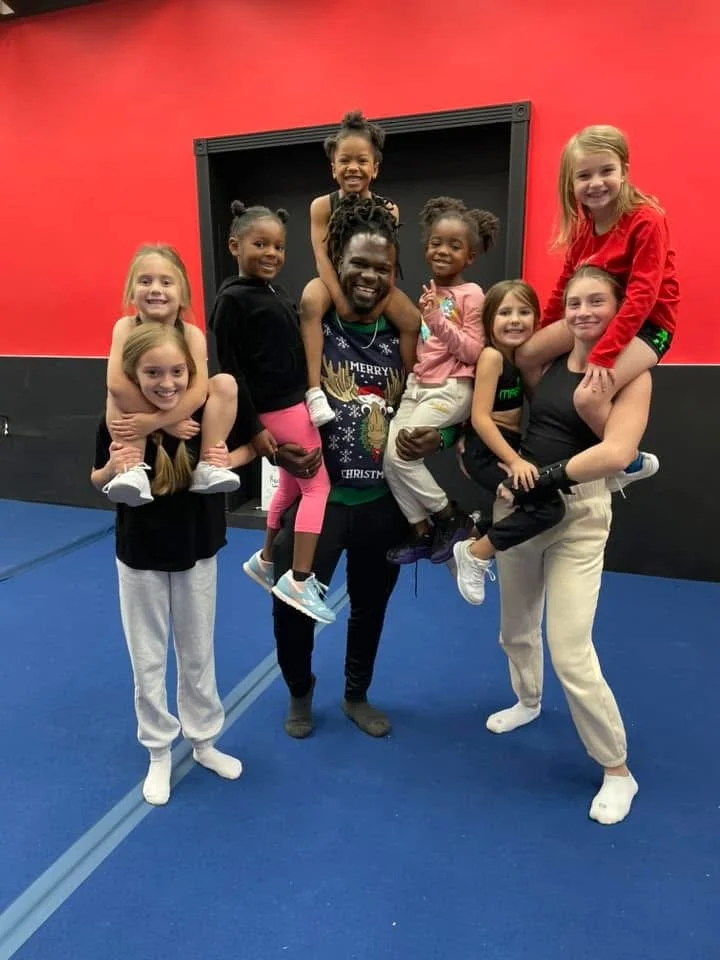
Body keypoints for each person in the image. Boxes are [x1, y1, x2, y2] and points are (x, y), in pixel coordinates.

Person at [467, 266, 649, 825]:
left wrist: (546, 475)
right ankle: (527, 699)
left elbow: (616, 453)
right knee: (514, 628)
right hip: (521, 503)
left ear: (620, 309)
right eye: (574, 303)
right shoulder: (546, 357)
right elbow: (515, 343)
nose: (585, 312)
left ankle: (618, 769)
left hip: (579, 513)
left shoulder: (631, 374)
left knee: (570, 649)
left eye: (599, 302)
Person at [263, 196, 448, 740]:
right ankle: (300, 691)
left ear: (395, 274)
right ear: (337, 264)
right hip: (315, 502)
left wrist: (441, 434)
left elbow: (440, 399)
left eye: (382, 268)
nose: (369, 276)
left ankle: (355, 693)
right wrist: (270, 446)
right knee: (291, 612)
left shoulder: (403, 335)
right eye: (359, 264)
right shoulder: (313, 327)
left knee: (371, 608)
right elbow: (264, 391)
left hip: (380, 506)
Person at [91, 324, 249, 806]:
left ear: (192, 371)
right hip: (140, 552)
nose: (167, 383)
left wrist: (226, 455)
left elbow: (252, 449)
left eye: (177, 372)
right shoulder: (121, 420)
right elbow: (96, 477)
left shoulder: (208, 414)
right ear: (134, 376)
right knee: (149, 657)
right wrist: (112, 466)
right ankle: (159, 750)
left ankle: (203, 741)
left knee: (198, 652)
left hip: (196, 546)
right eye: (153, 373)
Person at [518, 124, 679, 490]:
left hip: (649, 325)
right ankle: (552, 425)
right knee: (526, 354)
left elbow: (643, 294)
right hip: (600, 315)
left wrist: (604, 355)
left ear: (624, 171)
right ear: (570, 183)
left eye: (606, 171)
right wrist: (546, 328)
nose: (596, 183)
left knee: (590, 396)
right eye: (584, 175)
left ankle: (627, 458)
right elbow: (565, 286)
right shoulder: (582, 228)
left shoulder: (646, 219)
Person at [209, 201, 335, 624]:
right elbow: (231, 368)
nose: (271, 254)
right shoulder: (232, 300)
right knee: (317, 487)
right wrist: (254, 427)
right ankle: (299, 579)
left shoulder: (276, 292)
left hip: (293, 399)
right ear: (234, 246)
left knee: (291, 485)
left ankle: (266, 560)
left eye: (278, 247)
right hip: (276, 407)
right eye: (259, 244)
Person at [384, 196, 499, 565]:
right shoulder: (429, 293)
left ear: (470, 256)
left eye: (455, 245)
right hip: (419, 388)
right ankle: (422, 531)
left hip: (452, 387)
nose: (443, 251)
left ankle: (452, 516)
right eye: (436, 243)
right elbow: (427, 348)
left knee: (403, 455)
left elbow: (472, 352)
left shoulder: (472, 294)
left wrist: (435, 320)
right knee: (388, 458)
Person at [303, 110, 420, 426]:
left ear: (375, 168)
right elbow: (321, 256)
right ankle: (313, 389)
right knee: (310, 302)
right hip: (334, 280)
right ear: (333, 168)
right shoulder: (322, 206)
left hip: (376, 284)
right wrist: (340, 301)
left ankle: (413, 387)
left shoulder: (388, 209)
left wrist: (376, 308)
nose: (353, 167)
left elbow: (390, 264)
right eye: (345, 161)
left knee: (411, 320)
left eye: (362, 161)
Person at [103, 244, 240, 506]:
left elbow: (199, 392)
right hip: (143, 415)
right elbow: (118, 385)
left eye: (166, 282)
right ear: (132, 292)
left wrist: (156, 420)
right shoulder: (125, 327)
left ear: (183, 294)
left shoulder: (191, 335)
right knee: (114, 395)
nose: (155, 288)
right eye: (145, 281)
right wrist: (164, 423)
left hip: (179, 406)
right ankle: (132, 467)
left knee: (225, 383)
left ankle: (208, 465)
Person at [459, 279, 539, 532]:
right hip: (484, 450)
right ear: (489, 321)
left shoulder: (519, 356)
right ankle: (472, 543)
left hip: (508, 442)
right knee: (529, 499)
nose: (515, 320)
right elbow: (480, 418)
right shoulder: (492, 357)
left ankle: (477, 528)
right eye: (505, 313)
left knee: (526, 501)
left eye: (524, 312)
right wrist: (514, 460)